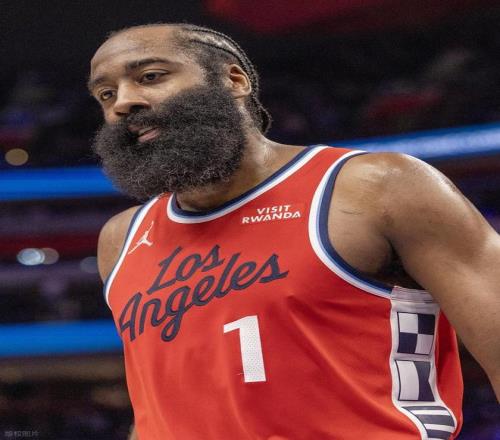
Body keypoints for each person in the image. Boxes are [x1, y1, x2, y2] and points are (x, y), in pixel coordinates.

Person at [88, 23, 500, 440]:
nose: (123, 102)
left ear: (234, 80)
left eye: (151, 76)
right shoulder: (122, 238)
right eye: (106, 94)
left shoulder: (375, 188)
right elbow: (156, 405)